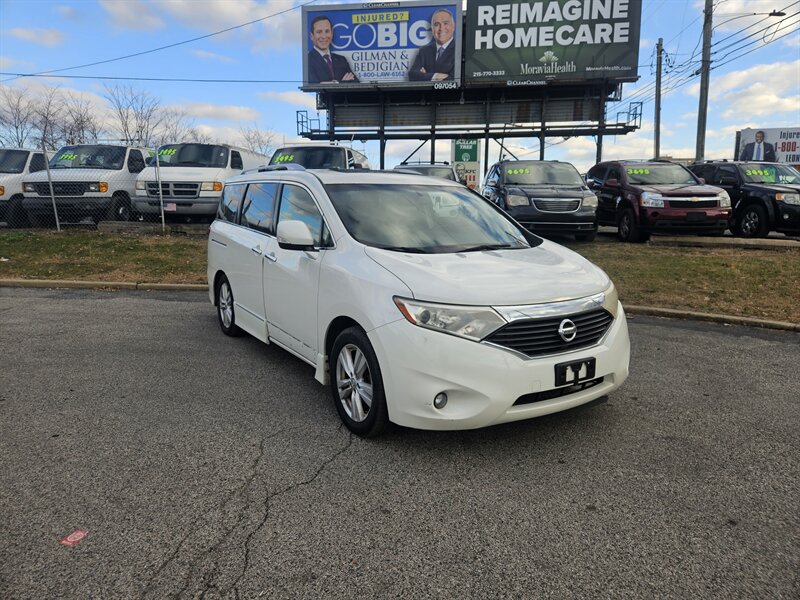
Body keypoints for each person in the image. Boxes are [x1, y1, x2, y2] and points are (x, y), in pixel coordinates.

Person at [307, 15, 359, 84]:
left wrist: (328, 83)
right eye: (319, 32)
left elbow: (356, 83)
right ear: (312, 36)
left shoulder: (341, 60)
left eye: (327, 31)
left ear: (332, 33)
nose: (324, 36)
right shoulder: (308, 60)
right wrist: (340, 83)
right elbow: (314, 84)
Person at [408, 9, 456, 81]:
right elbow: (412, 75)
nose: (441, 28)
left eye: (445, 23)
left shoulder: (460, 49)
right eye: (436, 24)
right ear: (432, 29)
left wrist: (424, 76)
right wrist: (435, 76)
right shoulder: (424, 51)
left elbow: (454, 78)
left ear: (453, 26)